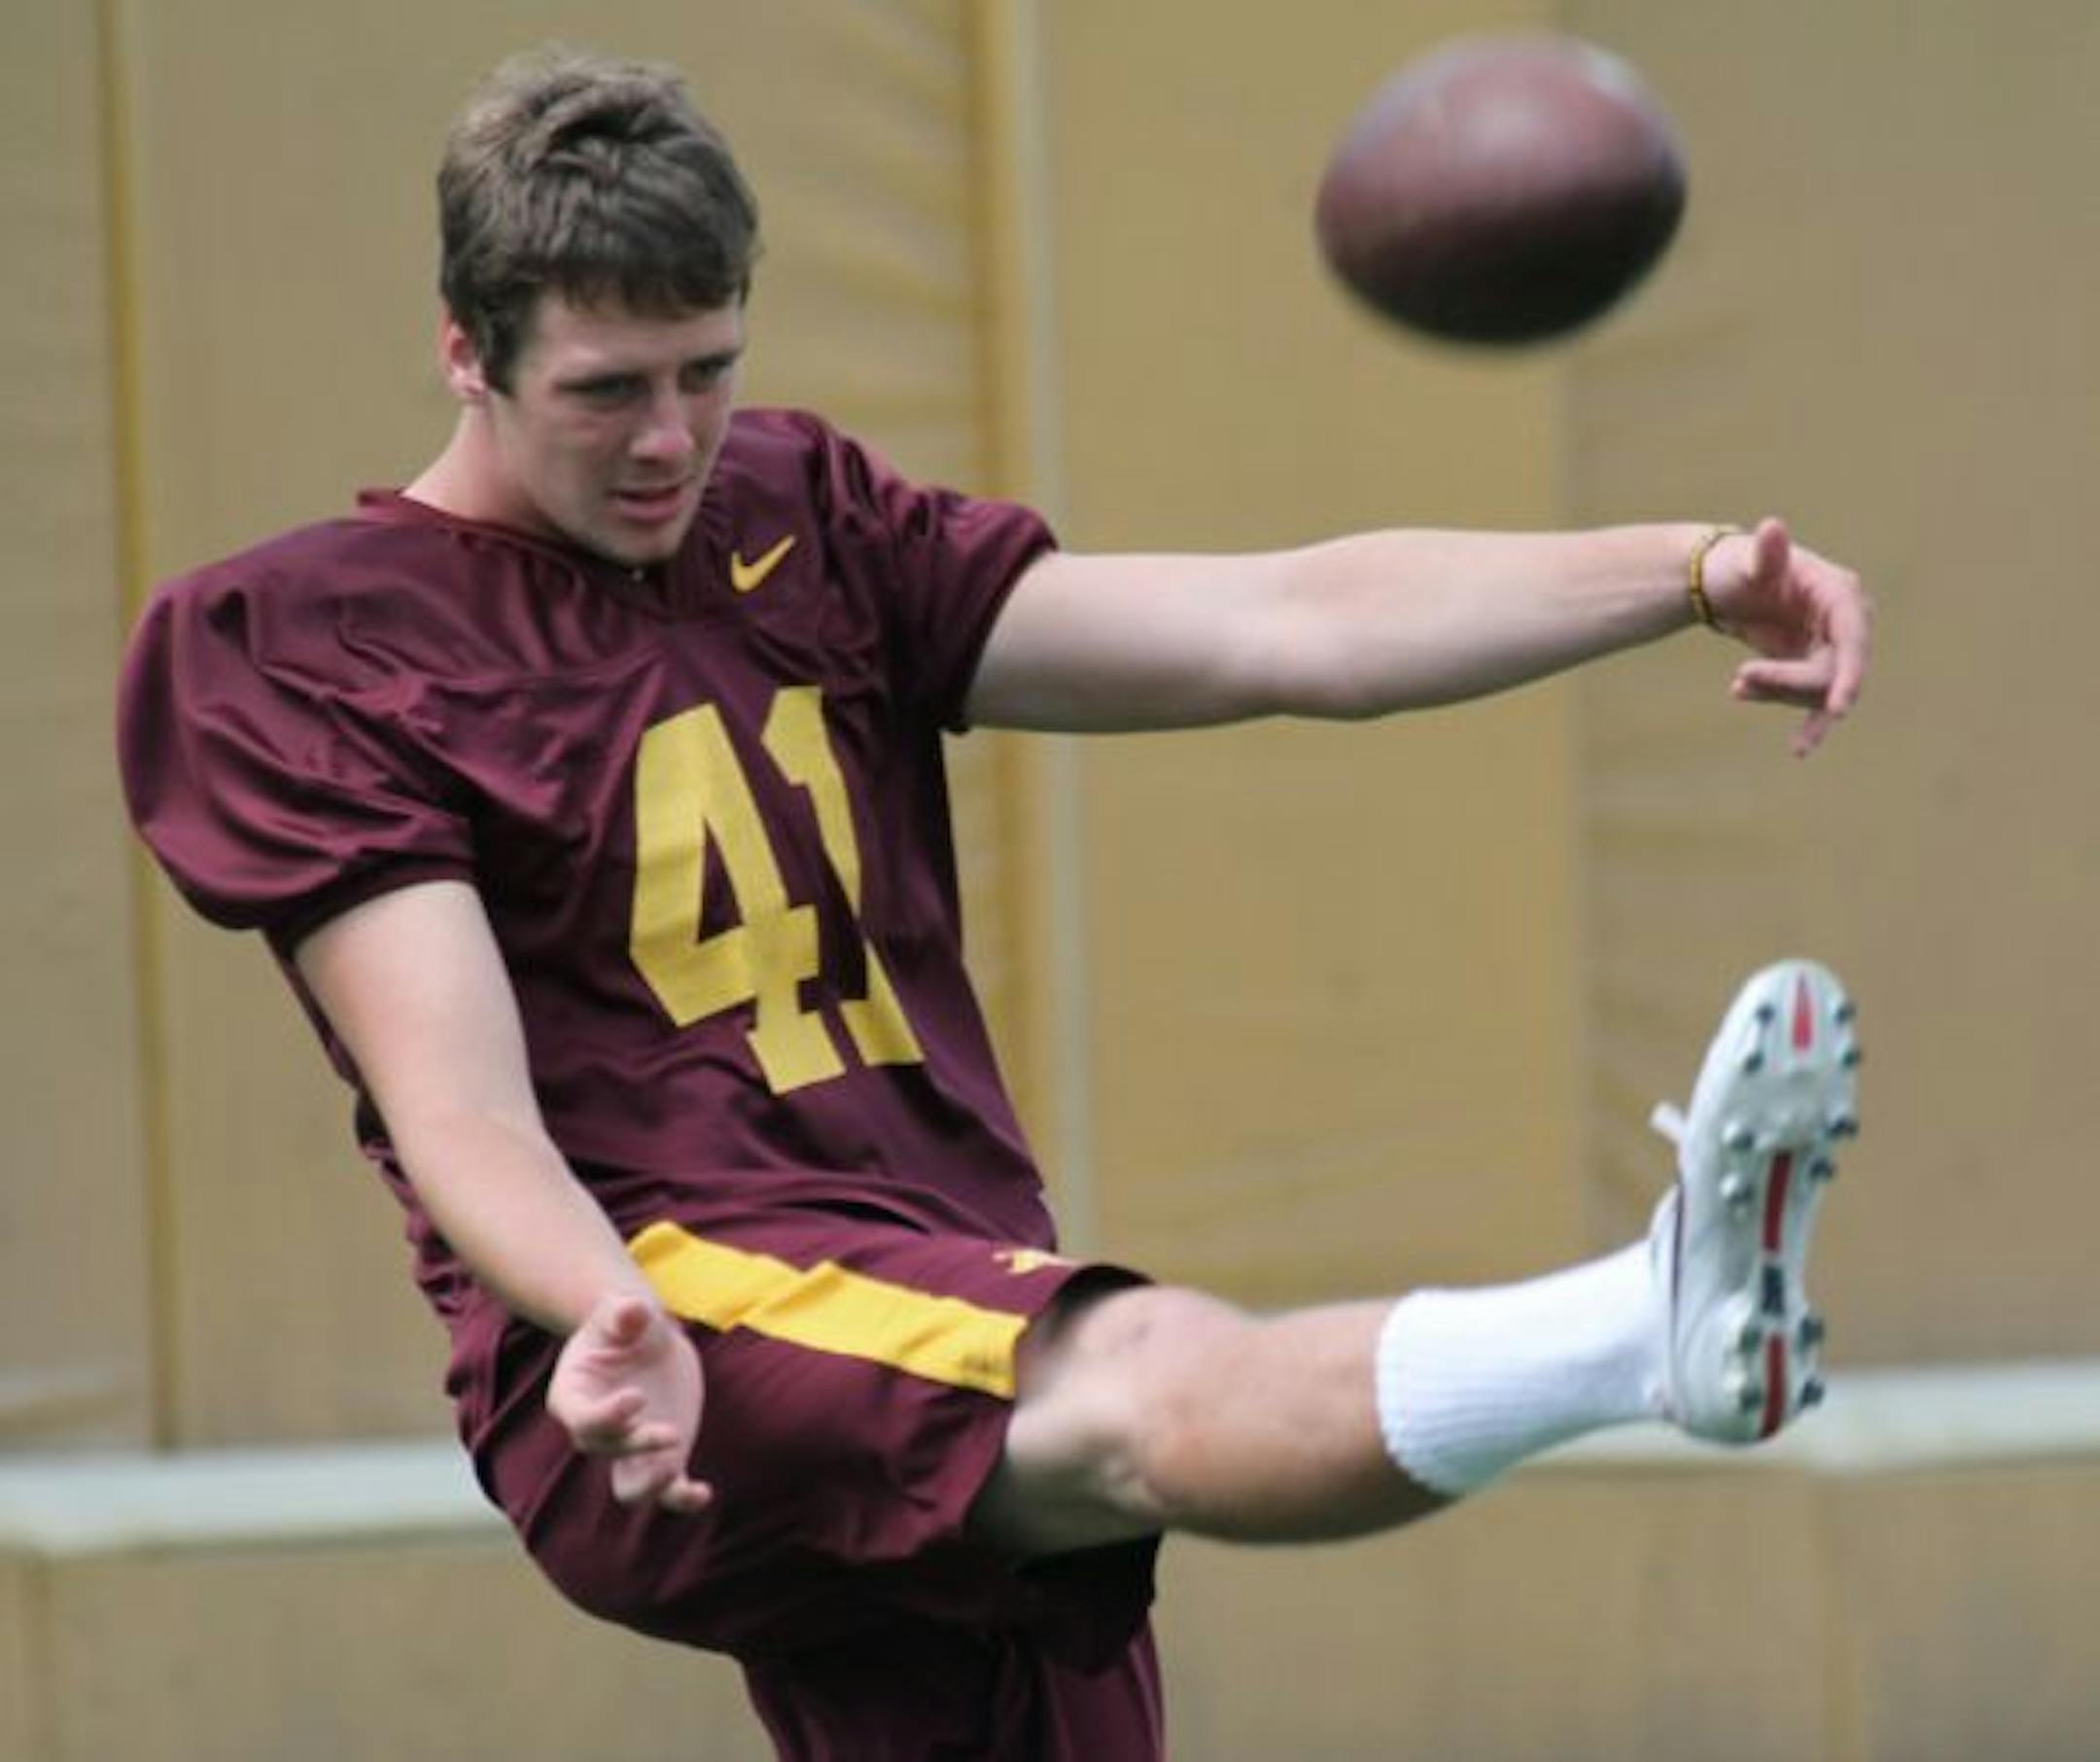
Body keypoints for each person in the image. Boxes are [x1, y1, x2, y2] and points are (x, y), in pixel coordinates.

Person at [117, 45, 1871, 1762]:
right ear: (463, 354)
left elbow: (1290, 626)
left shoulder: (801, 518)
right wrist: (607, 1314)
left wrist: (1691, 575)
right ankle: (1649, 1323)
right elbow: (463, 1112)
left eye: (706, 370)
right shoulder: (307, 646)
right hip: (668, 1316)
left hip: (932, 1251)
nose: (669, 440)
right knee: (1145, 1386)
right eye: (606, 389)